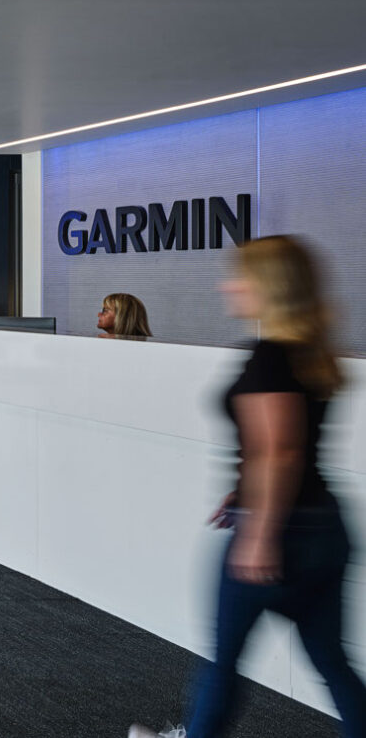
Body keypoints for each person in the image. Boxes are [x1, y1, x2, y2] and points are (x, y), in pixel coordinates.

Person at [129, 237, 366, 738]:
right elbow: (287, 446)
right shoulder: (310, 354)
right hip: (324, 529)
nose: (227, 285)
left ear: (268, 286)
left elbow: (279, 451)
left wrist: (260, 532)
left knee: (223, 660)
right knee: (332, 661)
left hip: (281, 530)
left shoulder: (271, 357)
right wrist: (244, 488)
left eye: (238, 276)